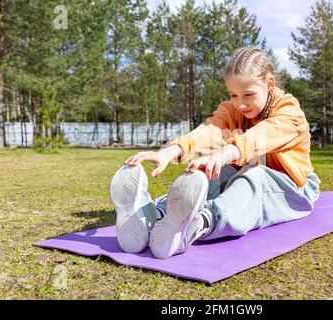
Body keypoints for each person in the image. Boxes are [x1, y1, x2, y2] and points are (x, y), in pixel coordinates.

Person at [110, 47, 321, 259]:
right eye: (233, 95)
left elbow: (260, 136)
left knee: (255, 177)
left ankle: (197, 223)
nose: (241, 104)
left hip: (294, 188)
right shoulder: (233, 109)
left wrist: (225, 152)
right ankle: (153, 215)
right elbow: (210, 131)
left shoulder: (290, 112)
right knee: (207, 173)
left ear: (269, 84)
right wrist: (170, 152)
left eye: (248, 95)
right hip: (244, 170)